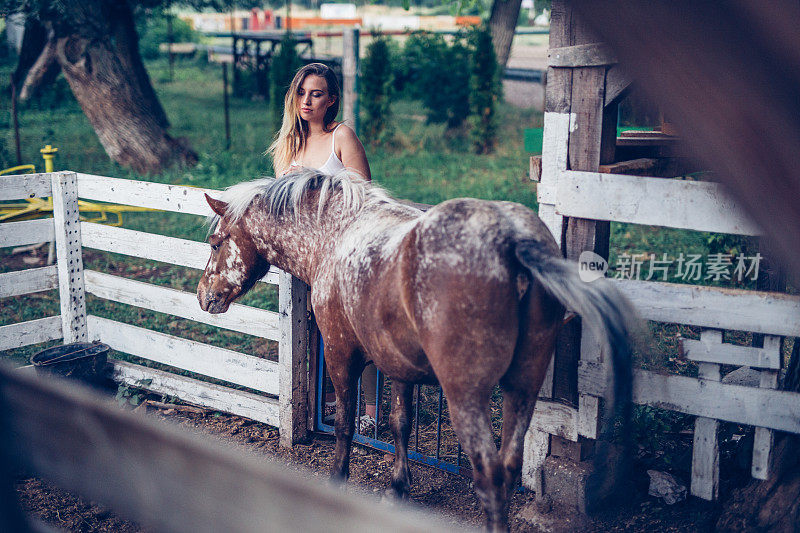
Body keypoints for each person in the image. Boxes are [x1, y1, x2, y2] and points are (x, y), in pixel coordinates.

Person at [268, 63, 379, 432]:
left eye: (316, 93)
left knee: (358, 329)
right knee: (317, 331)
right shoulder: (289, 143)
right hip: (306, 255)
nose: (307, 100)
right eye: (301, 92)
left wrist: (312, 183)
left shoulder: (341, 137)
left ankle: (372, 411)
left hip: (345, 249)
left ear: (331, 99)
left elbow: (364, 195)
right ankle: (326, 404)